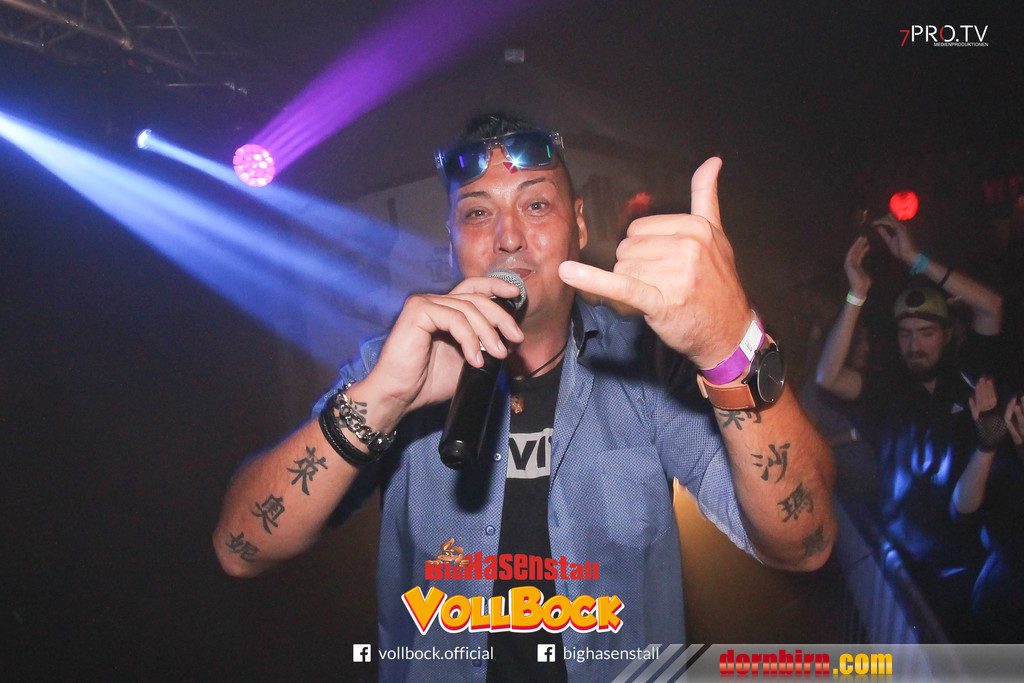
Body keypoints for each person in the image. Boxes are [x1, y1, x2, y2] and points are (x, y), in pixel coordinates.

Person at [214, 113, 837, 680]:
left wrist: (731, 344)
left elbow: (804, 544)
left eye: (536, 205)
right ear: (452, 239)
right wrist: (383, 399)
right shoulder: (393, 365)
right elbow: (241, 548)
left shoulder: (645, 368)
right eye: (477, 213)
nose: (508, 237)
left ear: (579, 224)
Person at [815, 217, 1003, 640]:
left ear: (948, 334)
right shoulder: (890, 391)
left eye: (926, 333)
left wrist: (917, 259)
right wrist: (856, 294)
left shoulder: (970, 379)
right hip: (903, 576)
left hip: (966, 570)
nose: (914, 345)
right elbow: (828, 377)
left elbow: (991, 306)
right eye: (905, 334)